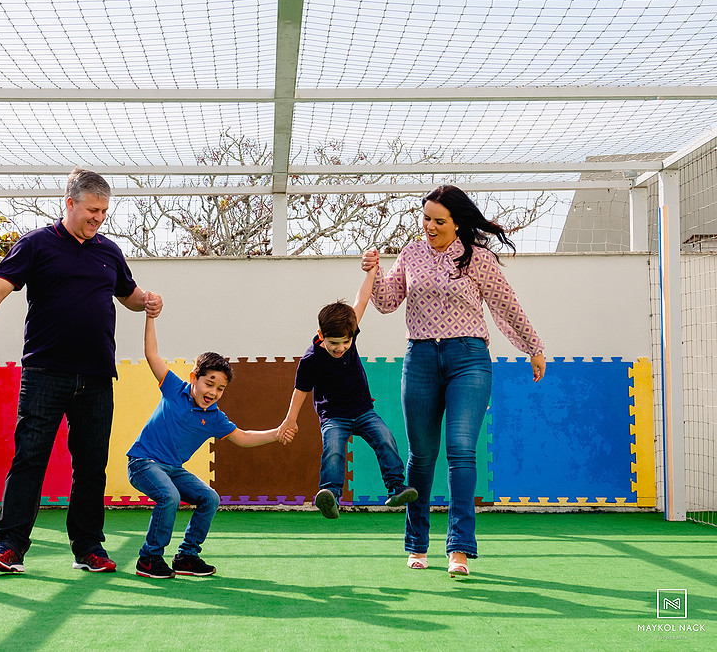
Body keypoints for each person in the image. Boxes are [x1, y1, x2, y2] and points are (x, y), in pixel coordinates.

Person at [0, 167, 163, 575]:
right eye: (91, 210)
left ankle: (88, 548)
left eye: (104, 211)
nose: (98, 218)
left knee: (91, 465)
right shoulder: (37, 245)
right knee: (29, 458)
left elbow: (129, 295)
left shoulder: (109, 252)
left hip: (98, 378)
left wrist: (148, 302)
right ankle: (9, 546)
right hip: (45, 374)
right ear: (70, 203)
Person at [362, 184, 546, 577]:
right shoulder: (411, 254)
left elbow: (507, 305)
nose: (429, 226)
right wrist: (374, 271)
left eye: (438, 220)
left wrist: (534, 347)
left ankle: (459, 548)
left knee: (462, 449)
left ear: (457, 223)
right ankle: (416, 544)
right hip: (421, 358)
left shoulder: (477, 259)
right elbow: (388, 302)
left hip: (469, 360)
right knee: (422, 456)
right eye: (425, 217)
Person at [127, 304, 295, 578]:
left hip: (172, 469)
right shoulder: (174, 389)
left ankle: (186, 556)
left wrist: (276, 433)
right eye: (209, 383)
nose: (213, 392)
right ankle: (149, 558)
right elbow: (151, 354)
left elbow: (241, 437)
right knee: (168, 496)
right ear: (194, 378)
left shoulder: (215, 418)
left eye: (220, 388)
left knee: (209, 497)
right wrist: (149, 317)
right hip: (143, 462)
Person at [278, 265, 418, 521]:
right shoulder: (311, 360)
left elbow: (361, 299)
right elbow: (301, 389)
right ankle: (330, 495)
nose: (341, 348)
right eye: (334, 343)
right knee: (333, 450)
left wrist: (372, 273)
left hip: (364, 410)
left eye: (346, 342)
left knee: (385, 438)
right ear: (322, 336)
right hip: (334, 416)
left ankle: (397, 487)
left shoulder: (348, 330)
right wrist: (291, 419)